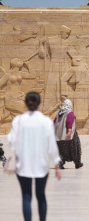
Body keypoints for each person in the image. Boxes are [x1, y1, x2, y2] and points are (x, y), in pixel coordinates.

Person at [7, 91, 61, 221]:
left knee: (26, 196)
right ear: (39, 104)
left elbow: (11, 140)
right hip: (41, 164)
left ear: (25, 103)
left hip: (23, 165)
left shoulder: (18, 121)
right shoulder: (46, 121)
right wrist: (56, 164)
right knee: (41, 195)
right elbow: (52, 145)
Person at [54, 97, 83, 169]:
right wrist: (69, 131)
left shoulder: (59, 113)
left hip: (59, 136)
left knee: (61, 150)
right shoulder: (69, 113)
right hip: (69, 135)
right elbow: (69, 122)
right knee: (75, 149)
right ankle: (77, 163)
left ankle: (60, 163)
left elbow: (54, 122)